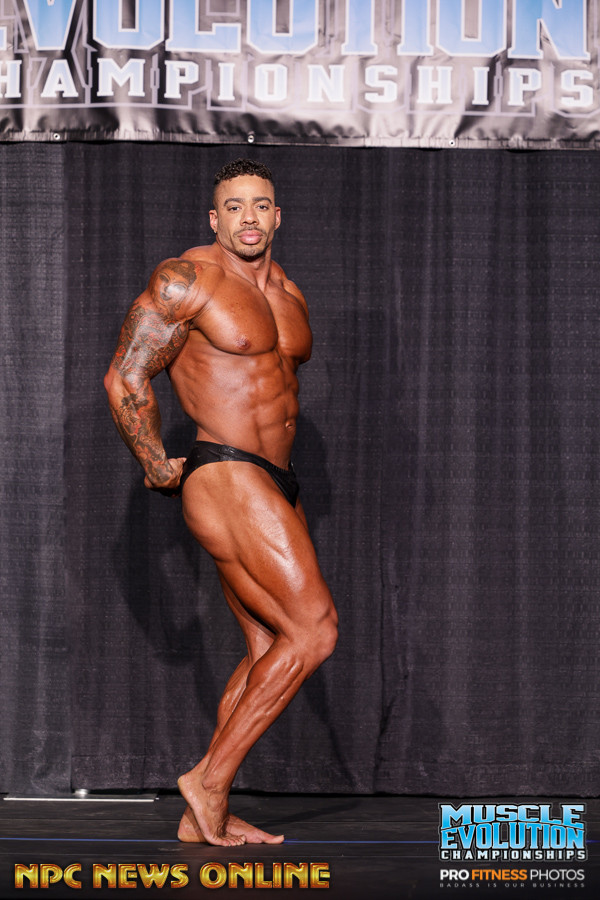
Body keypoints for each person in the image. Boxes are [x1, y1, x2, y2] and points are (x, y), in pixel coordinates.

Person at [104, 159, 338, 847]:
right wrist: (154, 461)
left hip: (277, 480)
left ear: (277, 216)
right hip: (225, 469)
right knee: (315, 631)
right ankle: (207, 782)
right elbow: (125, 377)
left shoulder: (289, 292)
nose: (248, 219)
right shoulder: (188, 278)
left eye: (260, 206)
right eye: (234, 207)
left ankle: (204, 808)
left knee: (270, 645)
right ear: (215, 218)